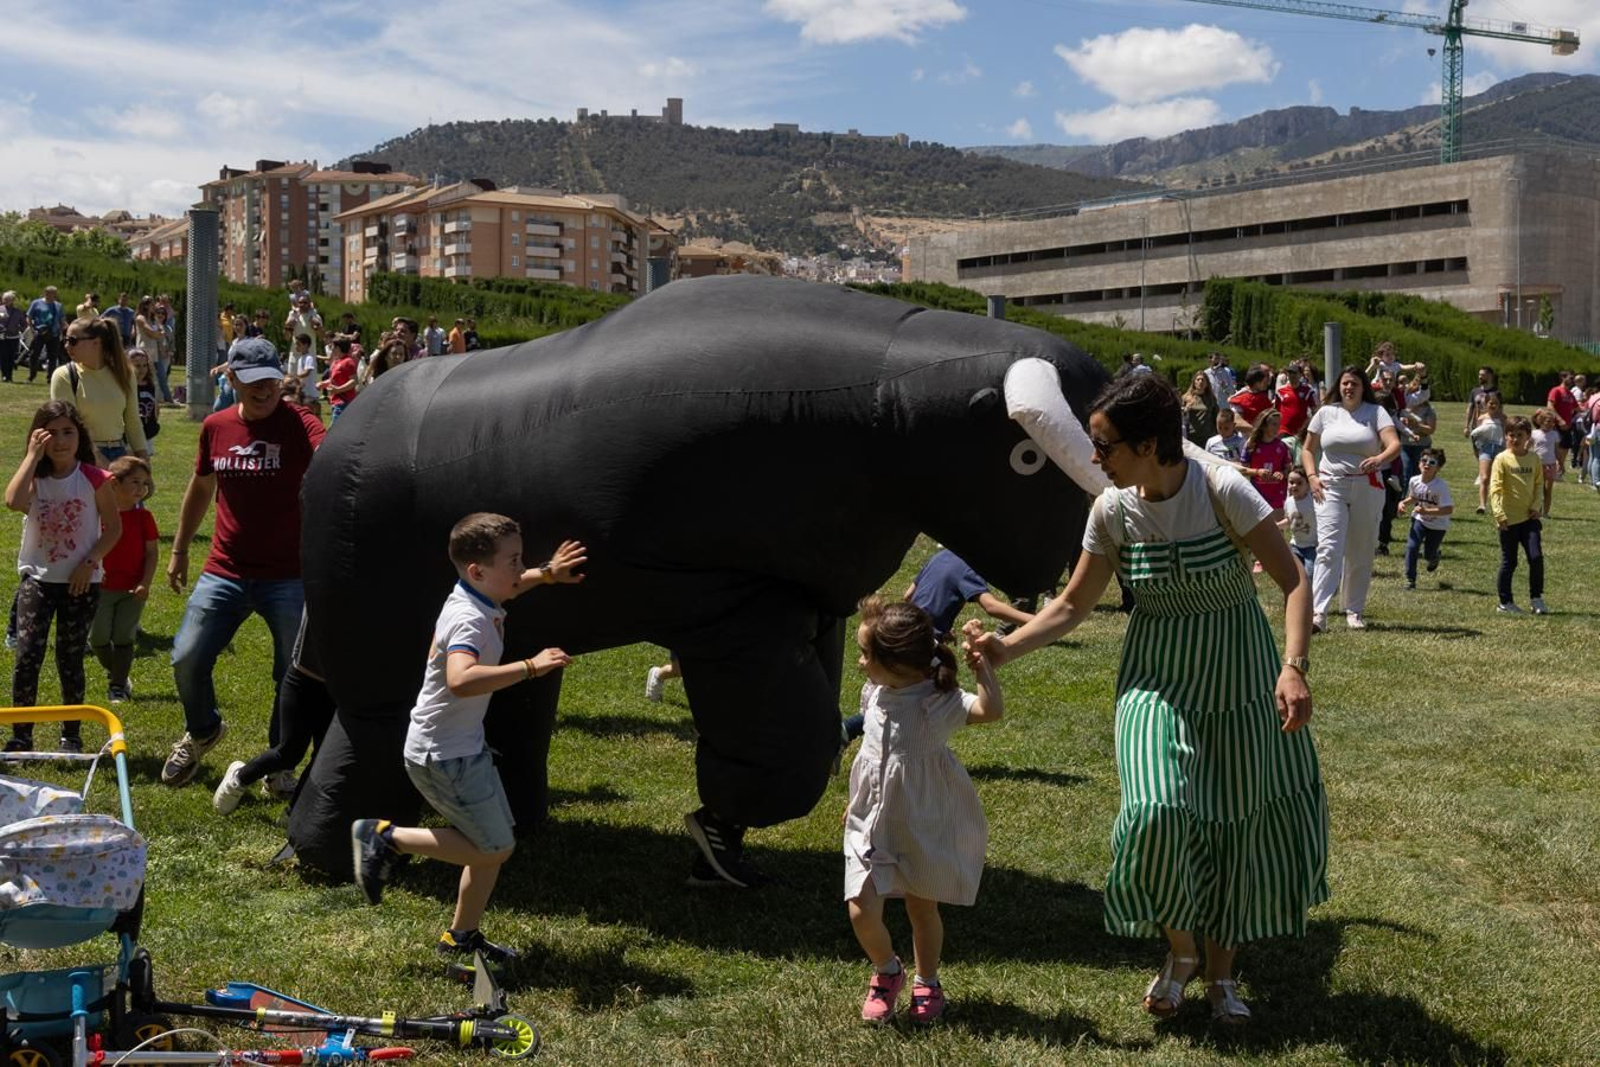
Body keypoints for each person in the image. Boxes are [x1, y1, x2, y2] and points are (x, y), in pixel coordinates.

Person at [965, 373, 1325, 1027]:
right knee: (1154, 809)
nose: (1094, 457)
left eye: (1104, 445)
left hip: (1238, 676)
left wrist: (1293, 666)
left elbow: (1293, 579)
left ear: (1149, 444)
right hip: (1154, 680)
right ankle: (1181, 951)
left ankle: (1220, 975)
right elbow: (1071, 606)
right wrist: (1004, 647)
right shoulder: (1112, 510)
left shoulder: (1221, 491)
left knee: (1232, 825)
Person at [350, 514, 584, 975]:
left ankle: (461, 938)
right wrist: (531, 667)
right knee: (494, 848)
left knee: (492, 843)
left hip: (459, 748)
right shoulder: (469, 619)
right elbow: (461, 679)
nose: (520, 569)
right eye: (513, 561)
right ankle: (385, 838)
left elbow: (510, 587)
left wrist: (547, 573)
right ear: (477, 570)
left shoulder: (477, 594)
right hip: (444, 756)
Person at [161, 337, 327, 787]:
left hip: (290, 574)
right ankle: (202, 730)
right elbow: (201, 488)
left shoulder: (301, 422)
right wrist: (179, 549)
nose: (264, 389)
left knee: (291, 673)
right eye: (253, 381)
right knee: (187, 657)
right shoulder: (215, 426)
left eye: (271, 379)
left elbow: (332, 454)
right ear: (230, 378)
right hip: (226, 568)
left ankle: (278, 760)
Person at [844, 595, 1002, 1024]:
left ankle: (927, 980)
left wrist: (982, 667)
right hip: (869, 822)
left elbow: (989, 710)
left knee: (921, 908)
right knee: (860, 906)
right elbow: (872, 758)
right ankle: (887, 970)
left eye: (866, 654)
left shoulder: (936, 703)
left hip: (922, 820)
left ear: (898, 663)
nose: (860, 663)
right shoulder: (874, 693)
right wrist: (855, 804)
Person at [4, 401, 122, 753]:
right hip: (38, 580)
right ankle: (21, 735)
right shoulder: (35, 478)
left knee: (69, 660)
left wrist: (90, 561)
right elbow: (12, 501)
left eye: (68, 432)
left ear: (79, 436)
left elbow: (114, 528)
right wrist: (31, 456)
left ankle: (71, 734)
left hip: (81, 583)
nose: (60, 441)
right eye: (51, 433)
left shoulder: (95, 478)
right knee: (27, 656)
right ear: (37, 437)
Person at [1302, 367, 1400, 632]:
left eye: (1354, 383)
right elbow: (1308, 450)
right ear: (1339, 386)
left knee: (1361, 549)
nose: (1349, 388)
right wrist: (1311, 477)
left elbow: (1394, 444)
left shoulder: (1375, 412)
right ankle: (1318, 614)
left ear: (1363, 387)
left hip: (1367, 487)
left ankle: (1354, 610)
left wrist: (1379, 458)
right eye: (1345, 383)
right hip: (1330, 486)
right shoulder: (1326, 413)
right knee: (1329, 548)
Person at [89, 457, 157, 704]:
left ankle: (118, 686)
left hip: (132, 590)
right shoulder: (96, 516)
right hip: (100, 588)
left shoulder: (144, 518)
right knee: (98, 638)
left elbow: (152, 553)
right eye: (135, 482)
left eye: (145, 483)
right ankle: (118, 671)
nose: (141, 488)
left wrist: (145, 582)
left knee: (123, 637)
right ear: (114, 484)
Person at [49, 318, 148, 466]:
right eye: (65, 339)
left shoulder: (124, 374)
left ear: (96, 343)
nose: (66, 345)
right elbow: (71, 427)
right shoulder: (64, 375)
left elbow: (133, 421)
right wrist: (104, 465)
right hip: (82, 455)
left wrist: (144, 462)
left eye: (73, 340)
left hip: (119, 451)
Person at [1490, 417, 1547, 615]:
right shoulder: (1501, 459)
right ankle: (1505, 602)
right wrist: (1499, 514)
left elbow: (1539, 484)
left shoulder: (1534, 459)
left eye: (1519, 435)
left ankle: (1536, 599)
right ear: (1506, 436)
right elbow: (1495, 488)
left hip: (1529, 518)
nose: (1515, 439)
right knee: (1510, 562)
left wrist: (1536, 505)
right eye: (1511, 435)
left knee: (1536, 557)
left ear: (1528, 437)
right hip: (1508, 520)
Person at [1397, 448, 1453, 591]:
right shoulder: (1414, 480)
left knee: (1428, 554)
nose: (1427, 464)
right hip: (1419, 520)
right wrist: (1403, 503)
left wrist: (1426, 511)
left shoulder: (1441, 486)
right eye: (1424, 461)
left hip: (1438, 525)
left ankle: (1434, 557)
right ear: (1419, 463)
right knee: (1412, 547)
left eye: (1432, 462)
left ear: (1438, 468)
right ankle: (1410, 580)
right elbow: (1414, 497)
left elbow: (1448, 509)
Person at [1468, 392, 1506, 515]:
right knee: (1484, 477)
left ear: (1499, 405)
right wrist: (1476, 450)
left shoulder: (1503, 418)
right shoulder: (1481, 418)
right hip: (1486, 449)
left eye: (1496, 403)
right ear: (1486, 404)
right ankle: (1482, 505)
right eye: (1490, 403)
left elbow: (1507, 435)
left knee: (1498, 479)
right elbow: (1476, 436)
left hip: (1500, 449)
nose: (1493, 405)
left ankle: (1498, 504)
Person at [1281, 469, 1317, 579]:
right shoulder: (1288, 502)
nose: (1294, 485)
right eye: (1291, 482)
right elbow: (1289, 520)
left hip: (1311, 546)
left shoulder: (1313, 501)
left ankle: (1311, 590)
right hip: (1295, 545)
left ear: (1308, 486)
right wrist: (1277, 525)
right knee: (1295, 574)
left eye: (1299, 483)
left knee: (1310, 574)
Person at [25, 286, 66, 382]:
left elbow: (62, 319)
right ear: (45, 293)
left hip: (54, 333)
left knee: (52, 356)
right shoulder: (36, 303)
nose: (53, 295)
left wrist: (61, 331)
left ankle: (50, 377)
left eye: (54, 293)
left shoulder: (58, 306)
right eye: (50, 293)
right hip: (39, 332)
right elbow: (29, 317)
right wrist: (32, 329)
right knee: (34, 354)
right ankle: (31, 375)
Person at [1529, 409, 1561, 519]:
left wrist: (1560, 463)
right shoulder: (1534, 433)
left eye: (1552, 422)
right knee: (1537, 490)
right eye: (1548, 421)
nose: (1551, 424)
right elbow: (1527, 447)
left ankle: (1546, 513)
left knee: (1548, 491)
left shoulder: (1554, 434)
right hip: (1537, 465)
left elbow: (1557, 450)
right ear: (1541, 421)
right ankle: (1537, 511)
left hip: (1550, 465)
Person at [1546, 371, 1579, 475]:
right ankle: (1553, 471)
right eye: (1570, 378)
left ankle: (1558, 470)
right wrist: (1559, 420)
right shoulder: (1556, 390)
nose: (1572, 380)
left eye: (1573, 378)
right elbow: (1550, 406)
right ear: (1563, 378)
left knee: (1565, 447)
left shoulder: (1570, 394)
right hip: (1556, 425)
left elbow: (1577, 408)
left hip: (1567, 426)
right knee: (1556, 448)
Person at [129, 349, 161, 453]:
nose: (142, 369)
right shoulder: (127, 386)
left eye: (145, 365)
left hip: (146, 431)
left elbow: (155, 407)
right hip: (130, 433)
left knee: (145, 459)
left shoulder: (150, 385)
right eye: (137, 366)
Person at [1226, 363, 1276, 428]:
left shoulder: (1262, 396)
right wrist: (1256, 431)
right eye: (1267, 375)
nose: (1270, 379)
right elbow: (1237, 422)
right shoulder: (1240, 399)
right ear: (1257, 379)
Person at [319, 337, 358, 420]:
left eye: (332, 346)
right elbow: (333, 380)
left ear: (338, 348)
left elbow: (354, 381)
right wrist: (323, 384)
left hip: (344, 403)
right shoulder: (337, 362)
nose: (331, 348)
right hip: (336, 402)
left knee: (336, 427)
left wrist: (338, 389)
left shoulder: (348, 362)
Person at [1180, 371, 1218, 450]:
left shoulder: (1211, 398)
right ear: (1194, 382)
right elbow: (1180, 416)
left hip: (1208, 436)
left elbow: (1216, 417)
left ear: (1207, 383)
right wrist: (1185, 409)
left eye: (1203, 380)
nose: (1200, 382)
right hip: (1192, 436)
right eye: (1198, 379)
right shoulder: (1186, 397)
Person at [1, 291, 29, 383]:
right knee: (3, 356)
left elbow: (24, 324)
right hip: (2, 337)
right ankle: (4, 375)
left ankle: (9, 376)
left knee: (11, 357)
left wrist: (18, 328)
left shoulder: (18, 312)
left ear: (12, 300)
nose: (5, 301)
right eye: (4, 299)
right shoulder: (0, 309)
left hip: (14, 337)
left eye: (7, 299)